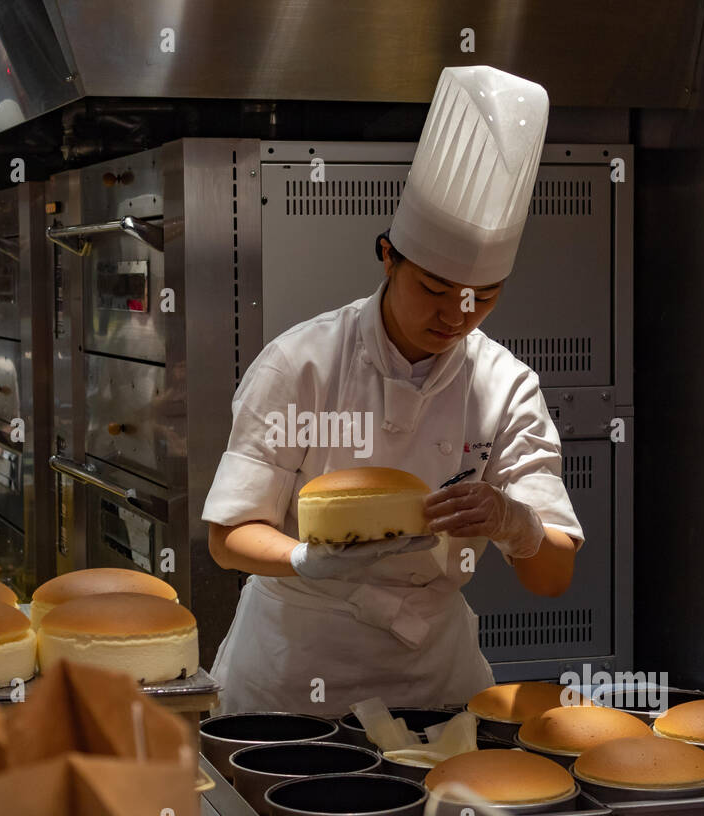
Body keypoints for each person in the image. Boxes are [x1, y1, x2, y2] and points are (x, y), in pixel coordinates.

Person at [201, 66, 584, 715]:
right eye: (433, 290)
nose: (455, 317)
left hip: (432, 679)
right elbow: (228, 537)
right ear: (388, 255)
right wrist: (304, 556)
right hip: (295, 678)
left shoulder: (504, 385)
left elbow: (552, 577)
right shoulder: (302, 365)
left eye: (480, 300)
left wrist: (513, 523)